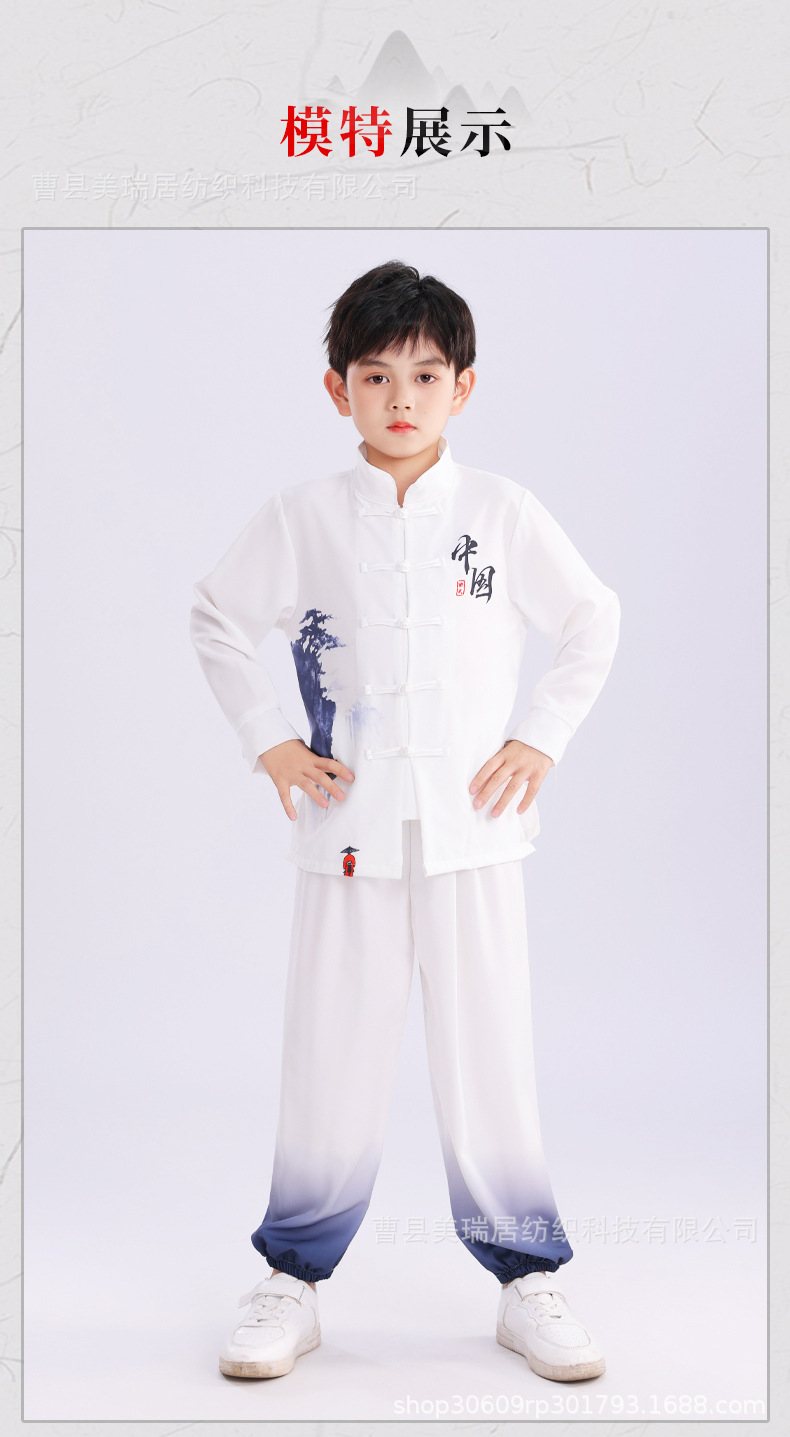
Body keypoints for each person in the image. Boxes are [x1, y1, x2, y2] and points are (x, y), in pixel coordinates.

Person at [189, 260, 621, 1384]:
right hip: (349, 831)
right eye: (376, 375)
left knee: (490, 1054)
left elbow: (592, 618)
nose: (400, 397)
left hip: (475, 832)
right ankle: (293, 1277)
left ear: (463, 388)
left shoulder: (500, 513)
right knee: (329, 1055)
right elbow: (216, 616)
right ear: (338, 388)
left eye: (425, 375)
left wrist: (542, 736)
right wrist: (268, 740)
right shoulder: (301, 517)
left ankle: (527, 1281)